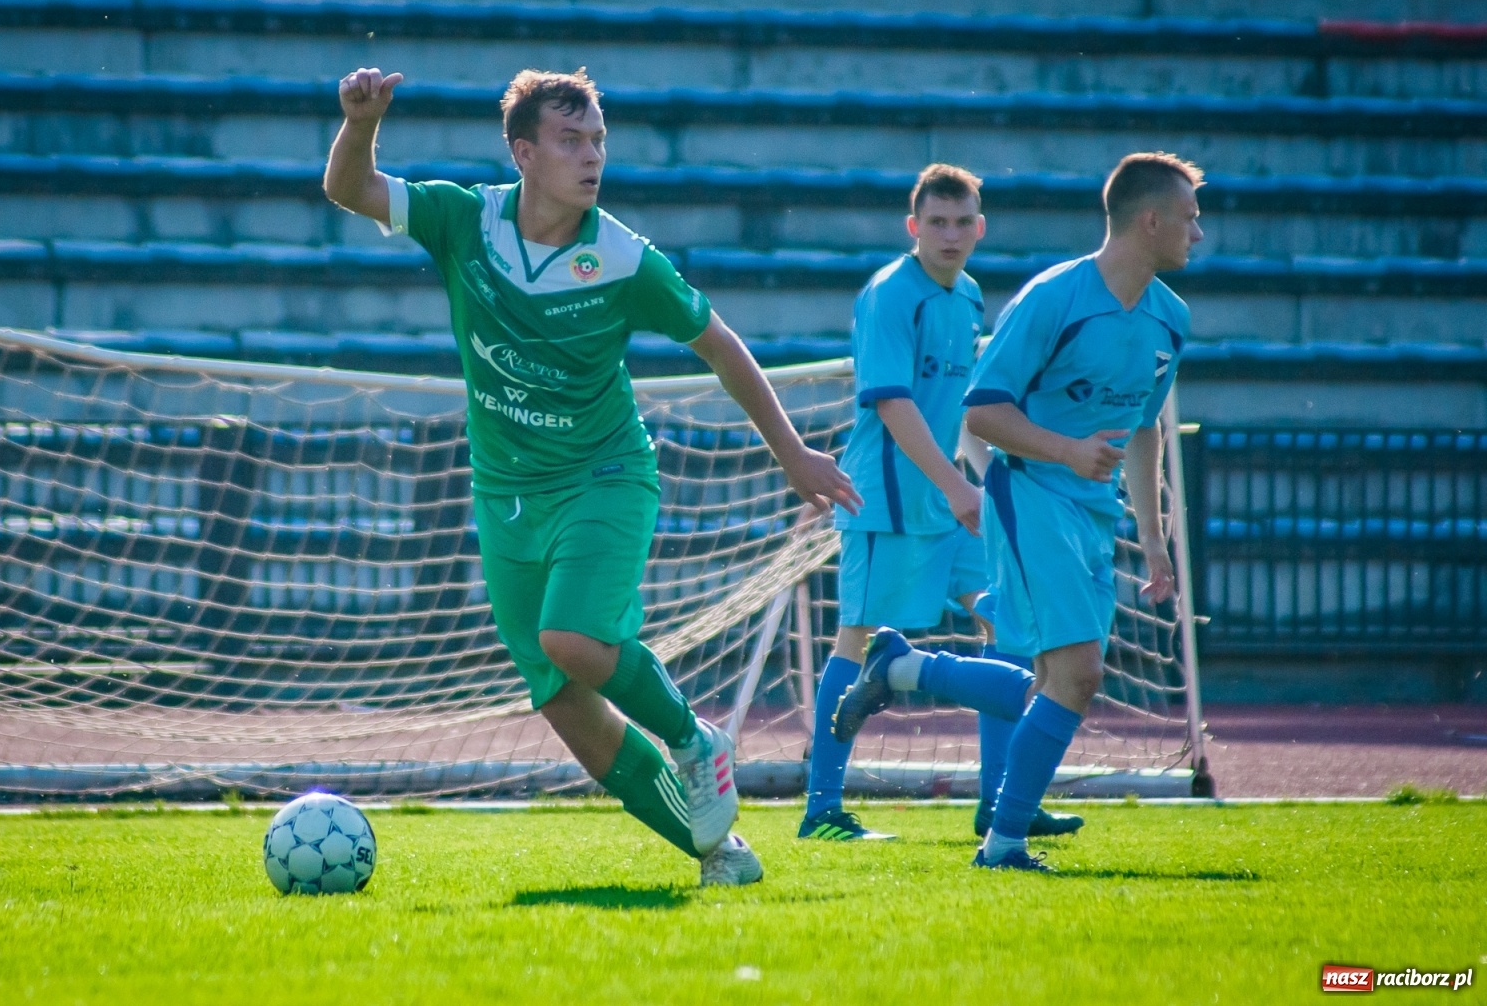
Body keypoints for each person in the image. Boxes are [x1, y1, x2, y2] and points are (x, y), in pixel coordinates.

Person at [324, 66, 861, 886]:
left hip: (604, 476)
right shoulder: (464, 219)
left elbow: (720, 345)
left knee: (571, 640)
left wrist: (791, 452)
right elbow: (348, 188)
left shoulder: (620, 257)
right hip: (504, 496)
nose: (592, 156)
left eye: (599, 140)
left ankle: (694, 740)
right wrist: (362, 122)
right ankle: (718, 854)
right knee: (562, 700)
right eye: (571, 140)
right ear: (523, 153)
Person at [962, 152, 1202, 872]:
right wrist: (1067, 451)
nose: (1198, 232)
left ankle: (905, 670)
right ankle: (1004, 844)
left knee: (1055, 678)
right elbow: (982, 413)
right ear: (1150, 220)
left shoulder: (1171, 318)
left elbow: (1145, 429)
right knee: (1078, 672)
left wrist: (1153, 539)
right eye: (1189, 218)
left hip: (1095, 515)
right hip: (1030, 494)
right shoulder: (1053, 298)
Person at [802, 165, 1038, 842]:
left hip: (947, 498)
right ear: (913, 226)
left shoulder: (969, 296)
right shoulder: (889, 294)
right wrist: (957, 486)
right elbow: (895, 405)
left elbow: (957, 408)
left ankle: (1002, 803)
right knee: (855, 638)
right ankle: (822, 811)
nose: (950, 234)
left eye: (963, 222)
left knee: (1009, 624)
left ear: (980, 228)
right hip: (888, 501)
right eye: (937, 222)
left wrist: (987, 479)